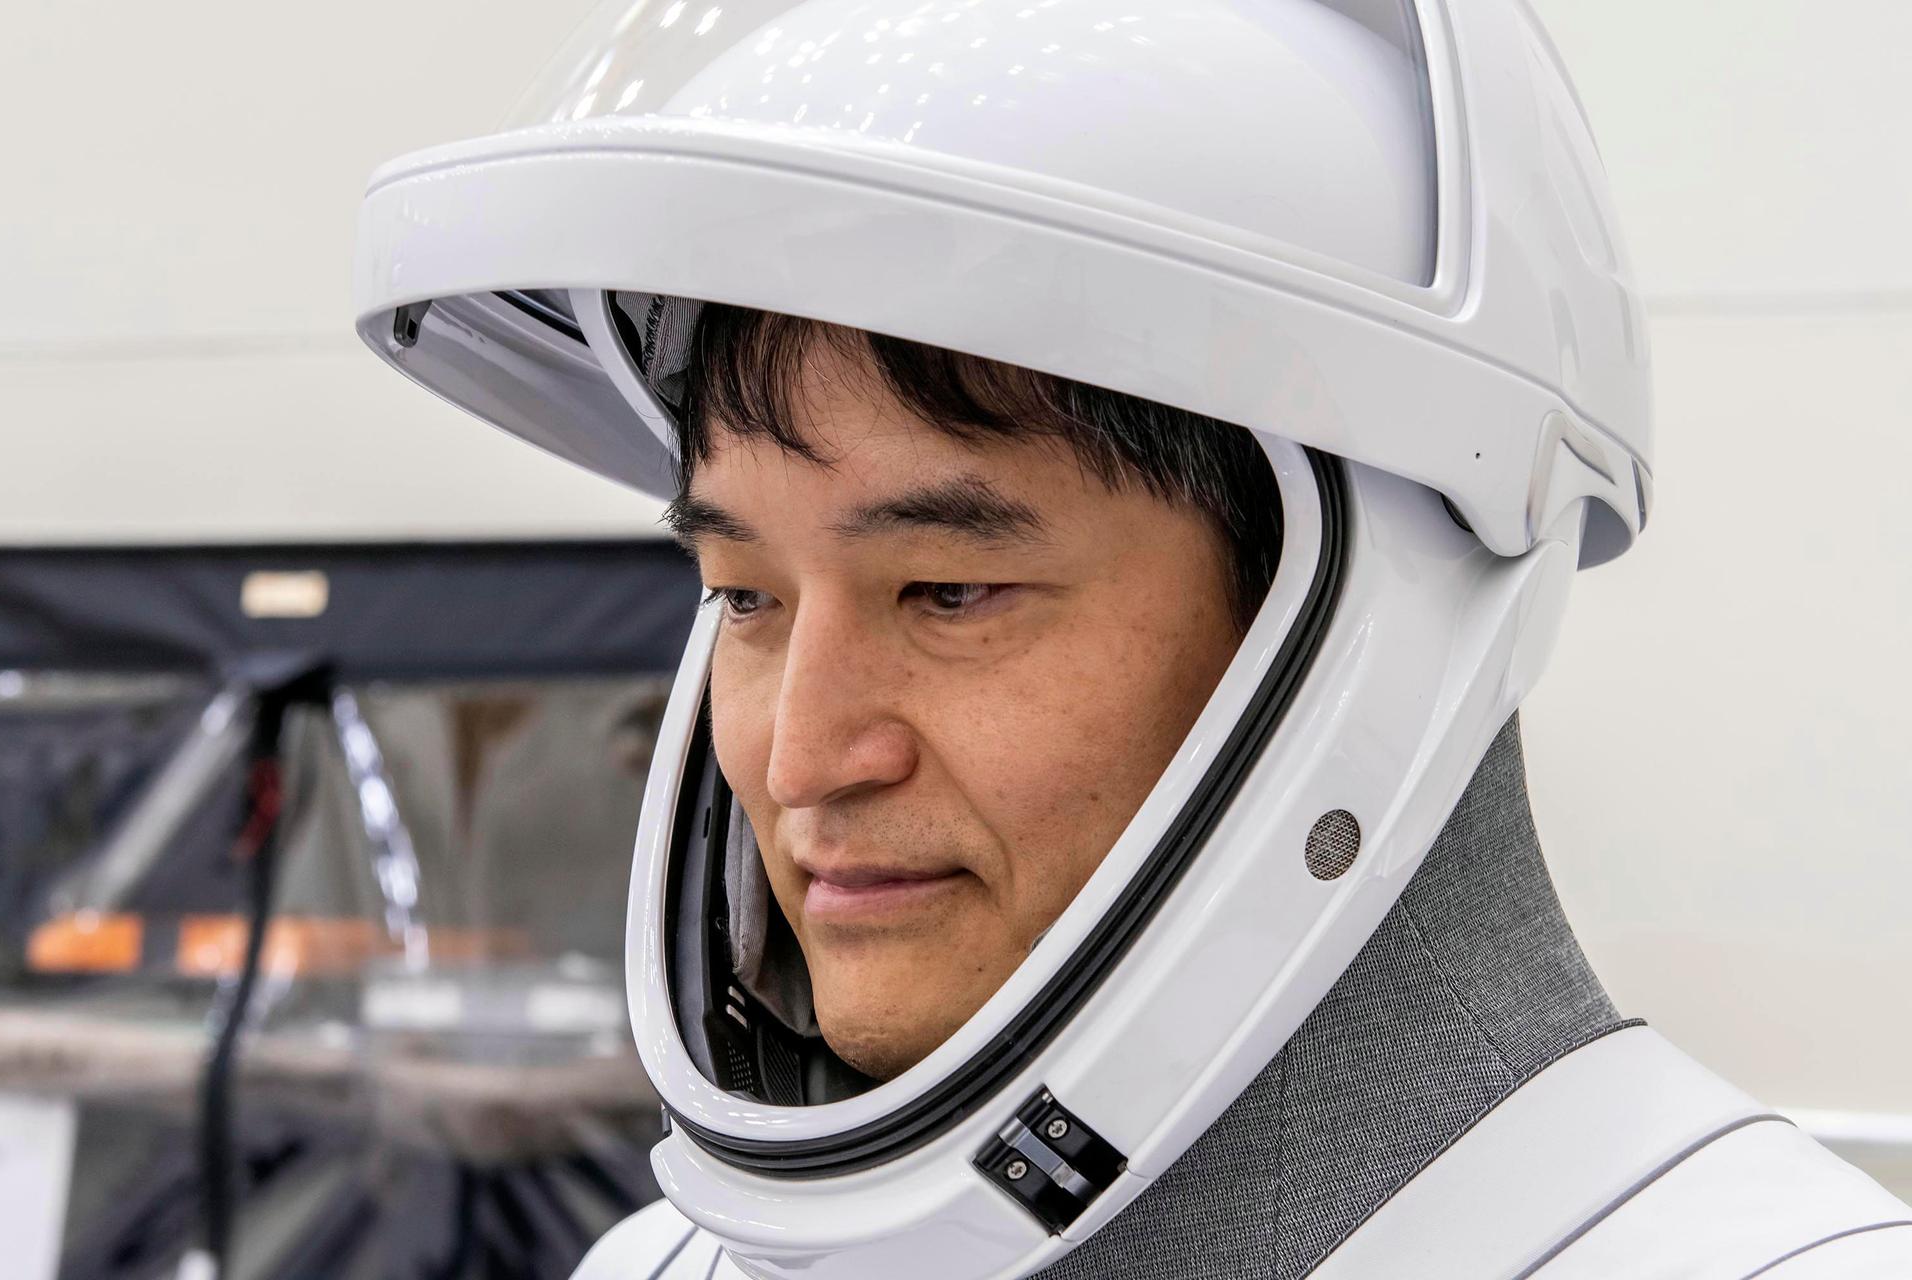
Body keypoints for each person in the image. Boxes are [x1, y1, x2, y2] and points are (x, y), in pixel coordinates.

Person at [352, 1, 1912, 1275]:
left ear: (1370, 632)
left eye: (950, 595)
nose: (803, 757)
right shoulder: (656, 1273)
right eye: (746, 595)